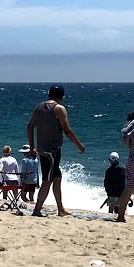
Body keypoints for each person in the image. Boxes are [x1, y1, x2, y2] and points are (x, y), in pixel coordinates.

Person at [28, 86, 85, 217]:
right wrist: (79, 145)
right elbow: (67, 130)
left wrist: (32, 147)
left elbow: (30, 127)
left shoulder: (39, 107)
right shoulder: (59, 109)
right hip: (51, 152)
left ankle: (61, 209)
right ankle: (37, 210)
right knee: (47, 181)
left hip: (45, 149)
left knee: (57, 178)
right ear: (62, 96)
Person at [0, 144, 23, 212]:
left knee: (5, 195)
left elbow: (0, 169)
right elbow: (17, 170)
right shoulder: (13, 159)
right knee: (16, 195)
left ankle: (6, 205)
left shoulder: (2, 159)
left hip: (6, 179)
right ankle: (17, 206)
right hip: (15, 179)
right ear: (10, 152)